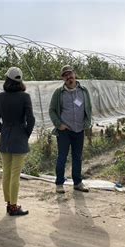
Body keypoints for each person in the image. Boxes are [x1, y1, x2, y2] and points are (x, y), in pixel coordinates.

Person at [0, 66, 35, 216]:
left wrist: (3, 130)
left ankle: (9, 204)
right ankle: (14, 206)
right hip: (19, 137)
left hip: (5, 138)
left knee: (7, 173)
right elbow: (31, 119)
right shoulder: (24, 97)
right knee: (15, 174)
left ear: (7, 79)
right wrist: (26, 134)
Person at [49, 65, 92, 194]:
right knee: (62, 156)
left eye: (70, 74)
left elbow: (89, 108)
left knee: (77, 157)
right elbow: (52, 110)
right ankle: (59, 183)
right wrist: (59, 124)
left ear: (75, 74)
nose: (69, 77)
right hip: (64, 130)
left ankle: (77, 183)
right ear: (63, 78)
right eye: (65, 75)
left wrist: (87, 122)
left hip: (79, 129)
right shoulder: (59, 92)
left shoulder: (83, 91)